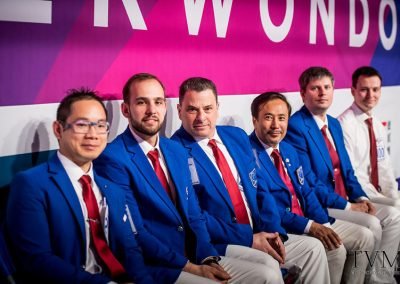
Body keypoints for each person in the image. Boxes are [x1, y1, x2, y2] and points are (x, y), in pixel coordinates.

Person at [94, 73, 276, 283]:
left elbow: (193, 213)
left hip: (194, 250)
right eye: (142, 102)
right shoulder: (113, 157)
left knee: (268, 271)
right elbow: (134, 233)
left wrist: (206, 256)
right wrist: (191, 267)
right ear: (126, 109)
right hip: (159, 264)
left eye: (158, 102)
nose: (152, 111)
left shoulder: (174, 150)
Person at [171, 77, 330, 284]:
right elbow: (195, 216)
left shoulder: (236, 136)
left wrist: (275, 233)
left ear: (218, 108)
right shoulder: (174, 151)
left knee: (314, 249)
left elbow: (260, 190)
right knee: (268, 270)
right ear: (179, 110)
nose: (201, 117)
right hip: (222, 240)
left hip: (261, 229)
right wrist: (249, 238)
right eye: (192, 109)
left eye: (208, 108)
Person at [6, 89, 153, 283]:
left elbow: (130, 249)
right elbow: (36, 260)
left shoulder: (113, 189)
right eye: (82, 125)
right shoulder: (31, 184)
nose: (93, 135)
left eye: (101, 125)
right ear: (58, 130)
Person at [285, 66, 400, 283]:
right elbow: (310, 182)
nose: (322, 93)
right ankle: (365, 279)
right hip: (323, 205)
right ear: (302, 93)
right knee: (372, 225)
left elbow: (347, 170)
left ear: (333, 90)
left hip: (344, 199)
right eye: (315, 88)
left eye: (327, 87)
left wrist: (361, 197)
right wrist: (348, 206)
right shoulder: (296, 126)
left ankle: (376, 277)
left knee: (393, 216)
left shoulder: (334, 124)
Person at [249, 91, 374, 284]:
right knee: (335, 249)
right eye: (268, 118)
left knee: (363, 236)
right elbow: (268, 209)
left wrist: (323, 224)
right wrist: (310, 227)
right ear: (254, 120)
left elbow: (306, 191)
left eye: (282, 118)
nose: (276, 125)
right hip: (282, 228)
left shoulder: (287, 148)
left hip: (308, 219)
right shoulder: (248, 156)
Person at [338, 66, 400, 208]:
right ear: (353, 91)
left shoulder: (377, 124)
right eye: (364, 89)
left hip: (376, 193)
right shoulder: (344, 125)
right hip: (358, 196)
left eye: (375, 89)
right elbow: (352, 174)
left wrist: (392, 196)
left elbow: (384, 166)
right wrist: (389, 201)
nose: (370, 95)